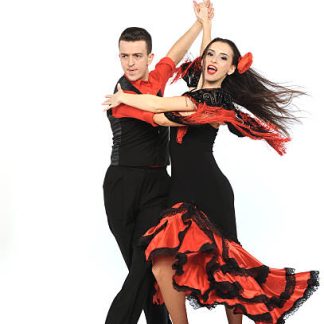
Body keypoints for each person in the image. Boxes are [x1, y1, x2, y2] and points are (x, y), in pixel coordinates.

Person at [103, 27, 320, 324]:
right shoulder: (197, 88)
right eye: (210, 55)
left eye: (223, 58)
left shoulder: (213, 99)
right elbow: (190, 65)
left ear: (231, 68)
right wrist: (204, 26)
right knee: (162, 267)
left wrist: (121, 98)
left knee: (229, 267)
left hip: (210, 189)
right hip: (179, 192)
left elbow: (156, 107)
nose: (213, 60)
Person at [103, 2, 214, 324]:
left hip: (157, 188)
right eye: (124, 56)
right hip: (122, 186)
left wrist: (199, 23)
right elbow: (161, 116)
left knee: (145, 266)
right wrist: (198, 109)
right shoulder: (120, 97)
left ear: (148, 57)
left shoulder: (154, 80)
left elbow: (174, 55)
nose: (130, 63)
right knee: (143, 274)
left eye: (137, 56)